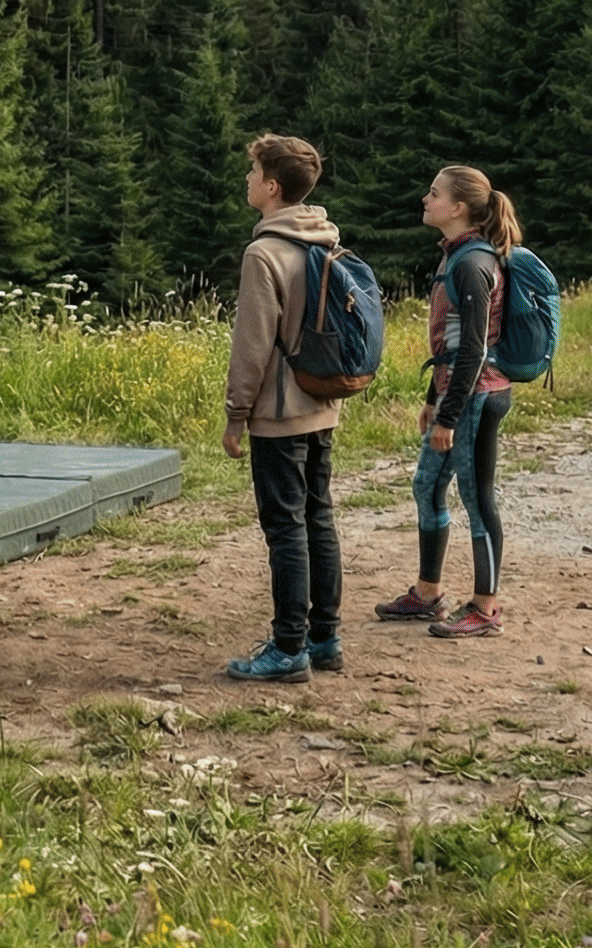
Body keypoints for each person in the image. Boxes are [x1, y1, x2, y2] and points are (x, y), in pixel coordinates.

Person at [373, 165, 519, 639]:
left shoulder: (475, 263)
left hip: (478, 396)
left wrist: (449, 414)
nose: (425, 198)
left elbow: (475, 350)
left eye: (434, 193)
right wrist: (431, 399)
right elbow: (450, 344)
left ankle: (486, 607)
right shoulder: (454, 257)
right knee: (426, 486)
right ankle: (427, 594)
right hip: (456, 394)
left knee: (477, 498)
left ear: (457, 208)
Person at [222, 133, 345, 683]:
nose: (247, 180)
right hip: (322, 403)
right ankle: (325, 639)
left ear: (271, 188)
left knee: (285, 528)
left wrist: (234, 415)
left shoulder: (263, 253)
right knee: (319, 519)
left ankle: (288, 647)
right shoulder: (324, 241)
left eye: (252, 173)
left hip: (278, 414)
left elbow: (251, 347)